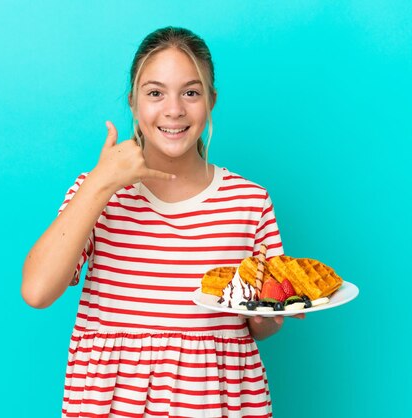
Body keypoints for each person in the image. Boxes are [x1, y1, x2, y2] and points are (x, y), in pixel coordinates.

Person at [22, 26, 303, 418]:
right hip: (114, 404)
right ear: (134, 103)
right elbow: (37, 291)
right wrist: (100, 183)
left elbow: (261, 327)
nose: (174, 109)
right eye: (155, 93)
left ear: (211, 101)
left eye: (191, 92)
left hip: (214, 402)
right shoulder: (97, 193)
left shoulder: (249, 201)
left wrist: (266, 315)